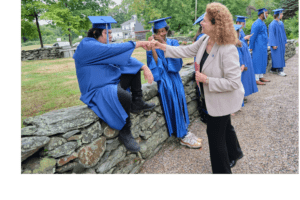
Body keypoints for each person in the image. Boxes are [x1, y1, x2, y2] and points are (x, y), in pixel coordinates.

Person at [151, 2, 244, 174]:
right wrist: (162, 47)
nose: (201, 22)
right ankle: (236, 152)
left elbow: (233, 83)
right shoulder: (204, 40)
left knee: (215, 137)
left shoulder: (228, 48)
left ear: (216, 25)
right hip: (211, 99)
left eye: (206, 21)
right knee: (226, 128)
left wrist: (207, 79)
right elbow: (185, 51)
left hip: (222, 99)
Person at [73, 16, 155, 152]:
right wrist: (138, 44)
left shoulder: (102, 46)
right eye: (107, 33)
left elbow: (126, 60)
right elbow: (112, 51)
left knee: (133, 69)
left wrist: (144, 67)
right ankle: (125, 130)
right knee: (124, 96)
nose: (110, 36)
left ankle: (138, 102)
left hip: (110, 83)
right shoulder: (86, 46)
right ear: (95, 33)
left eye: (111, 33)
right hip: (96, 90)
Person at [146, 17, 203, 148]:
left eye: (164, 30)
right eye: (159, 31)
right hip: (165, 79)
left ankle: (185, 130)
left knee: (181, 102)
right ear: (155, 32)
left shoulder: (173, 42)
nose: (162, 33)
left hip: (175, 77)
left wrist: (163, 44)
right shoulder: (151, 46)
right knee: (173, 104)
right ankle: (182, 136)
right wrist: (153, 48)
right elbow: (155, 65)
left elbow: (177, 62)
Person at [235, 24, 258, 105]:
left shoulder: (239, 42)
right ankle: (241, 97)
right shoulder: (236, 43)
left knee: (245, 79)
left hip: (246, 61)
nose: (239, 33)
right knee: (243, 80)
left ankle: (243, 96)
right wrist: (243, 63)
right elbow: (239, 54)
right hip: (243, 63)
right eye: (238, 32)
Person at [249, 8, 270, 85]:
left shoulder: (262, 22)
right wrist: (251, 46)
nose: (267, 15)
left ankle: (261, 76)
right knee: (257, 61)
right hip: (257, 46)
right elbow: (253, 36)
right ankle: (256, 79)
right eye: (266, 13)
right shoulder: (256, 23)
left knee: (262, 61)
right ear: (262, 14)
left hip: (263, 46)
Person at [269, 8, 288, 77]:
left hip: (281, 43)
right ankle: (280, 70)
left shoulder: (281, 23)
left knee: (280, 56)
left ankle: (273, 69)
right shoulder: (272, 24)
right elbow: (271, 35)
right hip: (276, 43)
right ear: (278, 15)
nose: (282, 15)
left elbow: (283, 33)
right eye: (281, 14)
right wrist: (273, 44)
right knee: (277, 56)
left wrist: (285, 41)